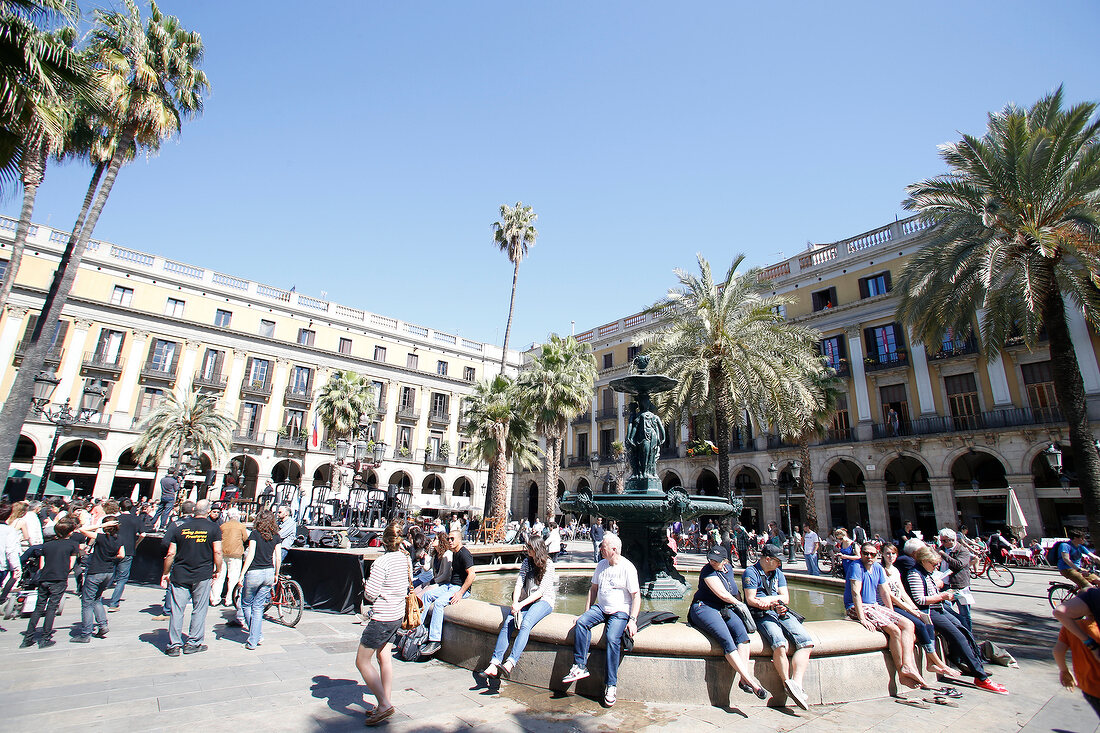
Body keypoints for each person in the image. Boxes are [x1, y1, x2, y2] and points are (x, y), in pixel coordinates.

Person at [906, 544, 1007, 694]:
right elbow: (919, 600)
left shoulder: (927, 573)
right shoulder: (914, 574)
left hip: (939, 607)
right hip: (930, 611)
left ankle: (974, 665)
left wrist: (944, 592)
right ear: (923, 561)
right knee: (958, 636)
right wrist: (941, 596)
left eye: (937, 563)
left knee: (963, 627)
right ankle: (981, 678)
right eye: (933, 563)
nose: (936, 566)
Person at [561, 533, 640, 707]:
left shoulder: (628, 567)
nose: (600, 549)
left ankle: (611, 684)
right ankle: (580, 665)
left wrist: (632, 619)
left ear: (614, 549)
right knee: (581, 624)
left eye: (603, 546)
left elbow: (636, 596)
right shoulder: (601, 565)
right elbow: (593, 589)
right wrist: (585, 612)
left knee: (612, 639)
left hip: (620, 611)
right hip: (601, 608)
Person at [688, 545, 767, 699]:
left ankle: (743, 680)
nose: (712, 562)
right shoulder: (707, 571)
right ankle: (752, 682)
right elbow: (723, 594)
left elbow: (733, 590)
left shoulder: (728, 569)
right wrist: (741, 605)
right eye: (710, 558)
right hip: (704, 607)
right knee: (726, 638)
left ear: (725, 561)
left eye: (716, 560)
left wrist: (741, 604)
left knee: (742, 635)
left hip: (724, 608)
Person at [742, 544, 815, 710]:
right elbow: (752, 600)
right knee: (779, 643)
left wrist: (769, 601)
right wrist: (772, 603)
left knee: (806, 642)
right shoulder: (751, 573)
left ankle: (796, 684)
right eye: (777, 560)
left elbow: (786, 598)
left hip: (780, 611)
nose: (780, 564)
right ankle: (785, 682)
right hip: (763, 615)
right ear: (767, 559)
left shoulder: (778, 573)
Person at [845, 542, 925, 688]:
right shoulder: (856, 566)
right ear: (861, 553)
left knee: (907, 624)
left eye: (872, 554)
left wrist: (891, 613)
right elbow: (855, 593)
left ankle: (907, 664)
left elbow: (884, 592)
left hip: (874, 605)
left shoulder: (878, 568)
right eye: (865, 553)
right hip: (858, 606)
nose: (869, 556)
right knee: (894, 630)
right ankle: (901, 675)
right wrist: (861, 618)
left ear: (877, 555)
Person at [357, 520, 411, 726]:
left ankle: (384, 704)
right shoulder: (405, 560)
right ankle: (384, 702)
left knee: (362, 661)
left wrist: (367, 585)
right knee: (384, 656)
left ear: (384, 541)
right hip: (397, 614)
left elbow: (370, 594)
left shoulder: (382, 563)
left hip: (382, 616)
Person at [482, 536, 557, 679]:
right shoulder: (526, 562)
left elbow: (541, 592)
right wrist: (515, 603)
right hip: (526, 600)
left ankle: (510, 662)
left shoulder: (549, 564)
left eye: (529, 547)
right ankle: (494, 662)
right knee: (508, 622)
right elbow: (518, 583)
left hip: (544, 601)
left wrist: (520, 605)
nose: (527, 550)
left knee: (526, 623)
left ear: (537, 549)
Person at [880, 543, 958, 678]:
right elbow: (890, 595)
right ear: (882, 554)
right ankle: (938, 663)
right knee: (920, 624)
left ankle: (931, 662)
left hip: (901, 604)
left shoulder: (895, 570)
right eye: (887, 553)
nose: (890, 556)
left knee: (926, 621)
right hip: (890, 605)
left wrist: (914, 608)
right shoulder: (880, 570)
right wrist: (910, 609)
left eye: (893, 553)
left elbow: (902, 592)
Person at [161, 499, 222, 656]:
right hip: (202, 574)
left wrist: (165, 572)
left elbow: (170, 553)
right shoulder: (213, 528)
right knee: (199, 609)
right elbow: (217, 552)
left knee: (177, 610)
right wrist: (218, 569)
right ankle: (193, 643)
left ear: (195, 510)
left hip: (180, 573)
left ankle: (174, 645)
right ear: (208, 511)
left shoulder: (178, 527)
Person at [21, 517, 80, 648]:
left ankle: (28, 637)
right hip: (59, 578)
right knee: (52, 608)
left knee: (38, 608)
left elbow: (42, 565)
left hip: (44, 577)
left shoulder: (46, 545)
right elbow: (71, 564)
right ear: (70, 532)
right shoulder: (72, 545)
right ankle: (45, 637)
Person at [418, 529, 475, 657]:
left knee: (438, 604)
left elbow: (472, 575)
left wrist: (460, 593)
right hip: (450, 586)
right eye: (449, 539)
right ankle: (419, 628)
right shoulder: (454, 553)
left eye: (452, 539)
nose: (449, 541)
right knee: (427, 595)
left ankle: (435, 640)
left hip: (458, 588)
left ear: (459, 539)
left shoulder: (465, 554)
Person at [233, 509, 280, 649]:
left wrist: (242, 574)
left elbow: (250, 554)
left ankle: (255, 636)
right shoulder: (276, 536)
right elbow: (277, 557)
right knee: (258, 607)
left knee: (246, 604)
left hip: (254, 572)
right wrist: (276, 573)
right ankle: (256, 636)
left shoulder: (255, 534)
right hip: (269, 572)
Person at [72, 516, 124, 642]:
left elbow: (82, 530)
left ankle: (86, 633)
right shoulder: (119, 539)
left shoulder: (101, 537)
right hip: (109, 572)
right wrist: (111, 558)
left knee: (87, 603)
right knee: (96, 599)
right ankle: (103, 625)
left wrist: (100, 527)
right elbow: (122, 554)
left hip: (96, 570)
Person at [1052, 588, 1100, 718]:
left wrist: (1064, 671)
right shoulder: (1095, 627)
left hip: (1087, 686)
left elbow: (1058, 651)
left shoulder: (1069, 627)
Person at [105, 498, 141, 611]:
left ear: (120, 508)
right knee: (122, 578)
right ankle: (114, 603)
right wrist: (136, 543)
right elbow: (143, 534)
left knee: (109, 572)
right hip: (129, 550)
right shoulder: (136, 519)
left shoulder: (116, 519)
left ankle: (98, 594)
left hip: (114, 548)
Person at [938, 528, 974, 631]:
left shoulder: (962, 550)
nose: (942, 543)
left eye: (944, 541)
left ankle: (968, 633)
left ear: (952, 540)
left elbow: (958, 565)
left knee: (965, 613)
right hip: (944, 584)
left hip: (960, 586)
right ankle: (957, 628)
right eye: (941, 540)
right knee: (945, 609)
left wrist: (943, 555)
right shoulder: (942, 549)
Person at [211, 508, 248, 606]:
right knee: (233, 578)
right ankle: (230, 599)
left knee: (219, 576)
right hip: (235, 554)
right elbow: (245, 538)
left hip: (222, 553)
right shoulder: (241, 526)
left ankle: (215, 599)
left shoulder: (223, 526)